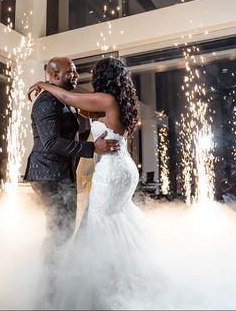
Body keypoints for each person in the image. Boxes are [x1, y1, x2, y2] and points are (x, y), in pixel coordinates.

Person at [28, 57, 162, 309]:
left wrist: (42, 84)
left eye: (85, 71)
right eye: (73, 71)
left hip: (112, 169)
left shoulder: (105, 100)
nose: (79, 75)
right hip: (122, 167)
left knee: (98, 225)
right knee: (110, 224)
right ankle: (115, 281)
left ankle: (101, 289)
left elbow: (70, 100)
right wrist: (49, 87)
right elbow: (73, 113)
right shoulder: (114, 101)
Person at [23, 57, 120, 303]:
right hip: (47, 173)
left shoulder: (63, 99)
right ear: (55, 75)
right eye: (71, 71)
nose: (76, 75)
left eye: (76, 70)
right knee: (59, 231)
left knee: (63, 230)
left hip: (61, 172)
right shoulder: (46, 102)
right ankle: (47, 291)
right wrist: (92, 149)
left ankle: (55, 283)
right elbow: (51, 142)